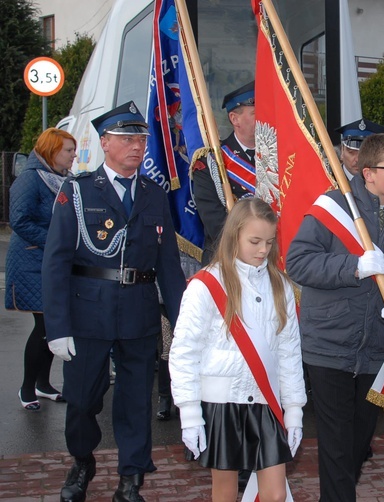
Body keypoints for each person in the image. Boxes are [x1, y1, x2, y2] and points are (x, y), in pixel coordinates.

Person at [42, 101, 186, 502]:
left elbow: (169, 267)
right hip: (88, 312)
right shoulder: (79, 190)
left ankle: (131, 477)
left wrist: (185, 322)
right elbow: (55, 262)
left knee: (135, 400)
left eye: (140, 139)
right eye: (126, 139)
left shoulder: (155, 195)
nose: (136, 146)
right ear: (105, 143)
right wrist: (57, 327)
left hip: (138, 312)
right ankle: (82, 460)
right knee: (83, 399)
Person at [286, 133, 384, 502]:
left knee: (359, 442)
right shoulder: (333, 207)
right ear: (368, 172)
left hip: (379, 349)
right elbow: (298, 262)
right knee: (335, 442)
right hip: (329, 345)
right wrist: (354, 266)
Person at [170, 198, 306, 502]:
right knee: (225, 492)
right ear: (234, 237)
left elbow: (289, 351)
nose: (263, 250)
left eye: (269, 242)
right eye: (254, 241)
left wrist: (294, 410)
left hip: (265, 399)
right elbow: (184, 352)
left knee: (275, 494)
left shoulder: (279, 284)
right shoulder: (205, 284)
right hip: (222, 402)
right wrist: (190, 412)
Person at [6, 128, 76, 410]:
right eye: (68, 150)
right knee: (45, 324)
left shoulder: (64, 179)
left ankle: (43, 384)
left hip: (52, 262)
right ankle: (26, 389)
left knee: (51, 325)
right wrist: (56, 243)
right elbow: (19, 220)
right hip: (31, 263)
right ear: (52, 150)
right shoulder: (30, 179)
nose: (73, 155)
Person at [192, 82, 257, 264]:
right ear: (234, 119)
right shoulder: (211, 164)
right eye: (255, 113)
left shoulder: (281, 157)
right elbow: (216, 224)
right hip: (228, 261)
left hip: (273, 260)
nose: (264, 117)